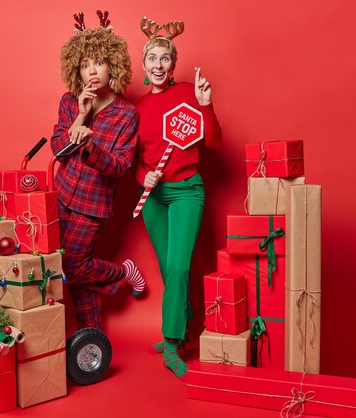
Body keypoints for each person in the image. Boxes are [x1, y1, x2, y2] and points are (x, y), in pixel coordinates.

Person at [132, 17, 222, 379]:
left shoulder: (188, 92)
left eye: (164, 59)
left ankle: (170, 344)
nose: (158, 65)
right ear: (143, 65)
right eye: (152, 58)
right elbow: (134, 161)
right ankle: (184, 330)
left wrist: (206, 105)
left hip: (187, 190)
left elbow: (214, 143)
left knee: (181, 266)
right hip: (153, 196)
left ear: (173, 63)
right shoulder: (136, 107)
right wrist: (144, 176)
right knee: (169, 270)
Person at [50, 11, 145, 330]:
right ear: (76, 68)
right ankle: (90, 340)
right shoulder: (69, 101)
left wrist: (92, 146)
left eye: (99, 62)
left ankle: (123, 272)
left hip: (92, 206)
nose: (92, 70)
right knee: (66, 272)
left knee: (73, 267)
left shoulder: (126, 114)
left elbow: (120, 166)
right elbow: (57, 149)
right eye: (85, 64)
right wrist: (80, 117)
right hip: (61, 195)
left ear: (112, 66)